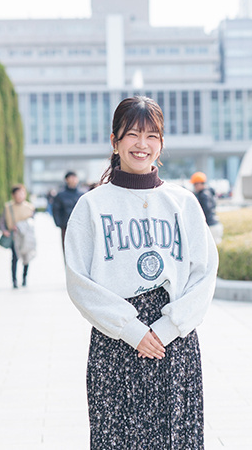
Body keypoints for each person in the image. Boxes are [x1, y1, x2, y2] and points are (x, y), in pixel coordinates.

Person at [64, 96, 218, 449]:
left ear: (161, 143)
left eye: (151, 135)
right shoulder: (92, 205)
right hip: (115, 340)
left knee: (175, 439)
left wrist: (167, 328)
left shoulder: (183, 202)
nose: (142, 144)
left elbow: (204, 272)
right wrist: (131, 330)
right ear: (115, 141)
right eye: (132, 134)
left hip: (173, 342)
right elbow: (78, 280)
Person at [0, 184, 36, 289]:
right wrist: (4, 230)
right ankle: (14, 280)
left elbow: (32, 222)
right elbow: (2, 221)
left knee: (26, 257)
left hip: (26, 236)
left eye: (22, 193)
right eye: (18, 193)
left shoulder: (29, 207)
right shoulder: (8, 207)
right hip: (14, 236)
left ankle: (24, 278)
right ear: (13, 195)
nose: (20, 195)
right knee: (15, 258)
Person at [53, 171, 83, 253]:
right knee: (67, 249)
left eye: (75, 177)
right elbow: (56, 210)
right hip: (66, 225)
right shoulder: (60, 195)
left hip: (80, 226)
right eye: (71, 177)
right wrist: (59, 223)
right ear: (66, 180)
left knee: (80, 248)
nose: (73, 179)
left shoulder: (82, 194)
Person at [190, 171, 223, 245]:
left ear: (199, 184)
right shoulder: (209, 192)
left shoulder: (203, 195)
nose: (194, 187)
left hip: (210, 226)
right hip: (215, 224)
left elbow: (206, 210)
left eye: (195, 184)